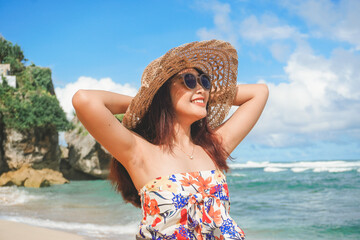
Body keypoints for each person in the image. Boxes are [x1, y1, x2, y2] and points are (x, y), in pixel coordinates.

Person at [72, 40, 268, 239]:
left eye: (204, 81)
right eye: (189, 80)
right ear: (164, 94)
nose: (200, 87)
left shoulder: (213, 147)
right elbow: (85, 100)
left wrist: (202, 96)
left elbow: (259, 92)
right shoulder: (141, 152)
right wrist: (150, 100)